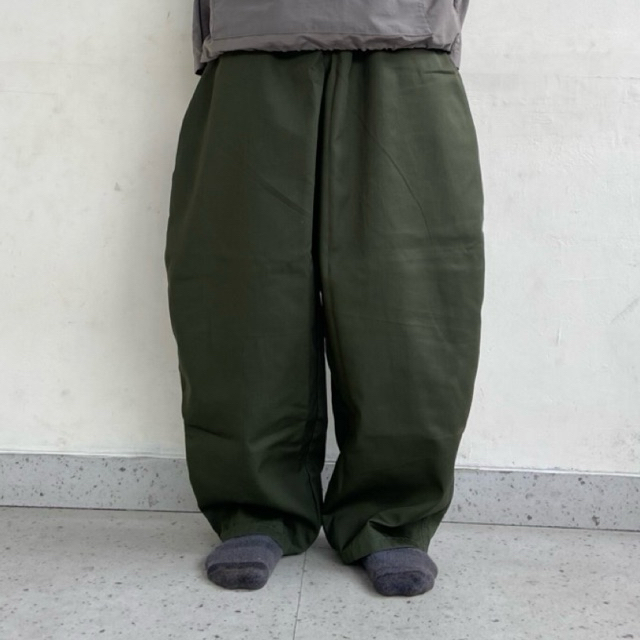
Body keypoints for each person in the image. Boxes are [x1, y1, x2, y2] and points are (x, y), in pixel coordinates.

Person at [164, 0, 485, 598]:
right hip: (252, 39)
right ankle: (255, 509)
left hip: (404, 39)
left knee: (407, 299)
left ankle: (390, 516)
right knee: (242, 292)